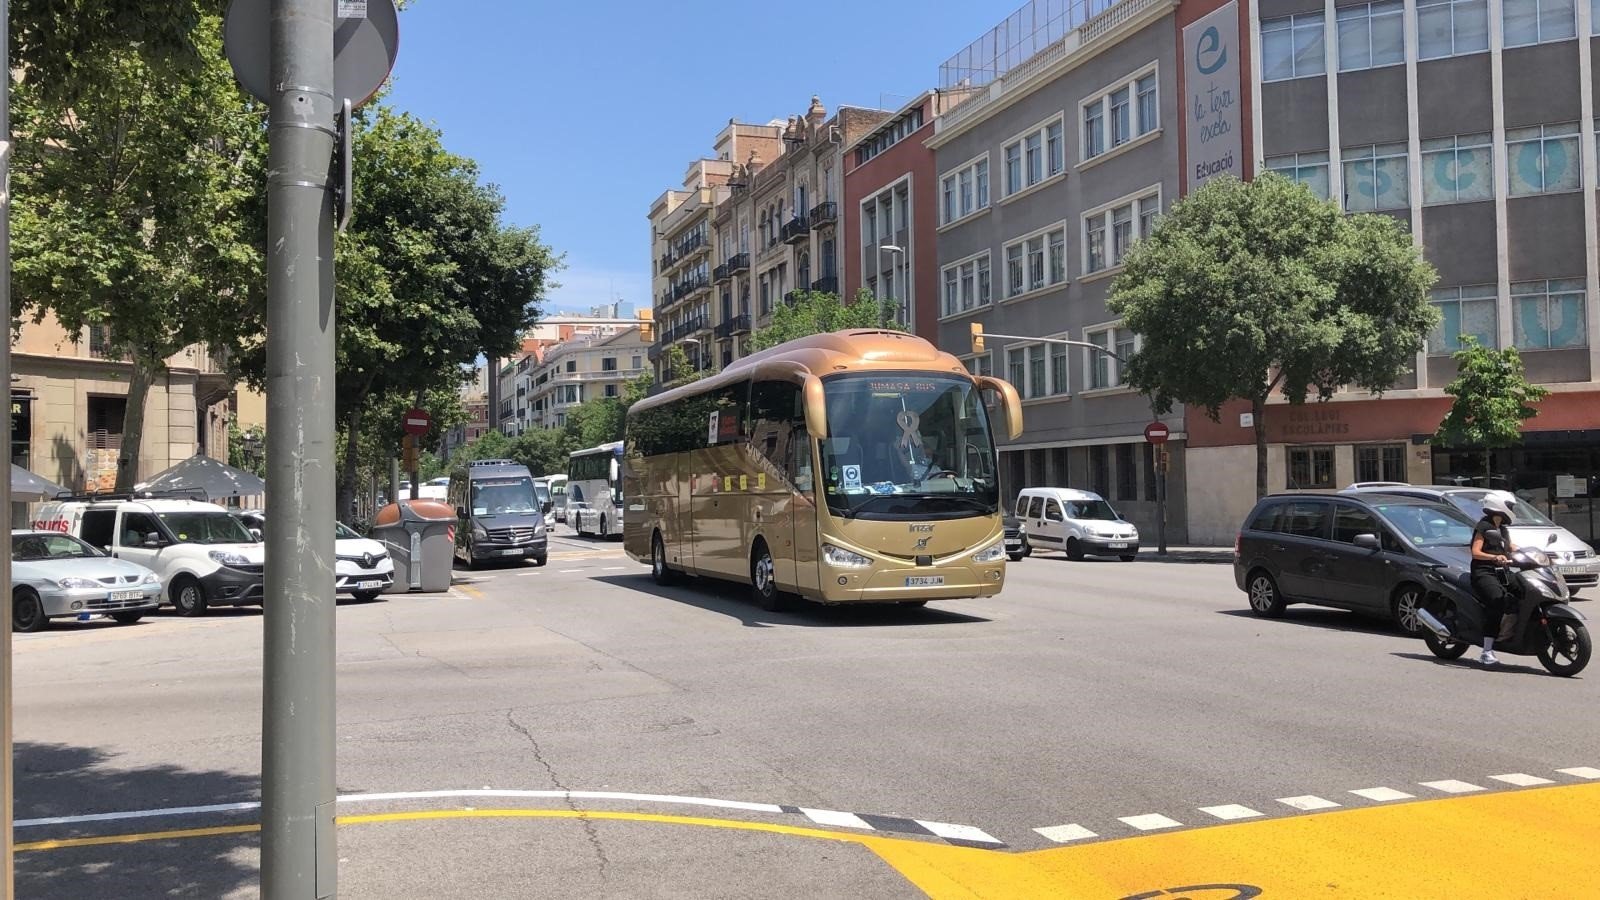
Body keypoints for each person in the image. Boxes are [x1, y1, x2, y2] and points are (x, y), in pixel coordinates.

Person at [1469, 496, 1518, 666]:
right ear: (1499, 505)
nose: (1512, 508)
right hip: (1484, 572)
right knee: (1497, 601)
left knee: (1523, 590)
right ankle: (1487, 651)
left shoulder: (1502, 529)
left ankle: (1511, 631)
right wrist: (1494, 557)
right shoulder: (1484, 526)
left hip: (1502, 572)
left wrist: (1533, 553)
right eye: (1510, 505)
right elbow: (1476, 552)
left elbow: (1511, 547)